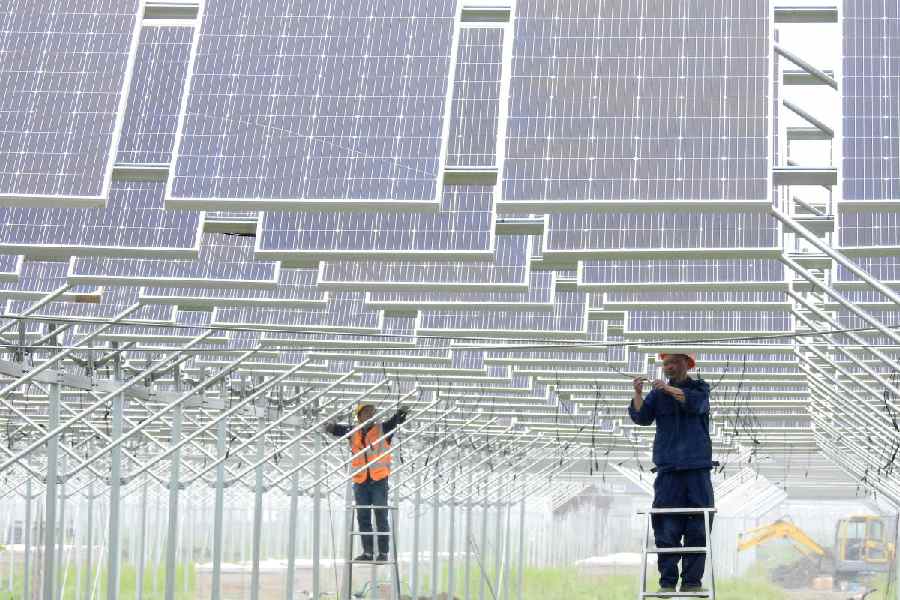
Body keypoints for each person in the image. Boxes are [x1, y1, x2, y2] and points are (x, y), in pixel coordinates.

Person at [628, 353, 713, 596]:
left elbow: (696, 404)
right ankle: (667, 582)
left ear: (687, 365)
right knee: (666, 526)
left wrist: (667, 389)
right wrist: (638, 394)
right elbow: (642, 418)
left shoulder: (699, 388)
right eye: (666, 363)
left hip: (697, 469)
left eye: (674, 362)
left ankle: (691, 582)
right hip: (668, 471)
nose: (669, 367)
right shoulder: (656, 395)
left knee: (699, 526)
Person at [324, 403, 408, 562]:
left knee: (380, 515)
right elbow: (336, 429)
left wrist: (402, 413)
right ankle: (368, 552)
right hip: (361, 481)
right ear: (359, 416)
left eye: (373, 412)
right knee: (363, 516)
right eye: (367, 412)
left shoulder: (383, 429)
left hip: (378, 479)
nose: (371, 415)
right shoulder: (353, 431)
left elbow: (395, 421)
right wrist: (328, 426)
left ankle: (383, 553)